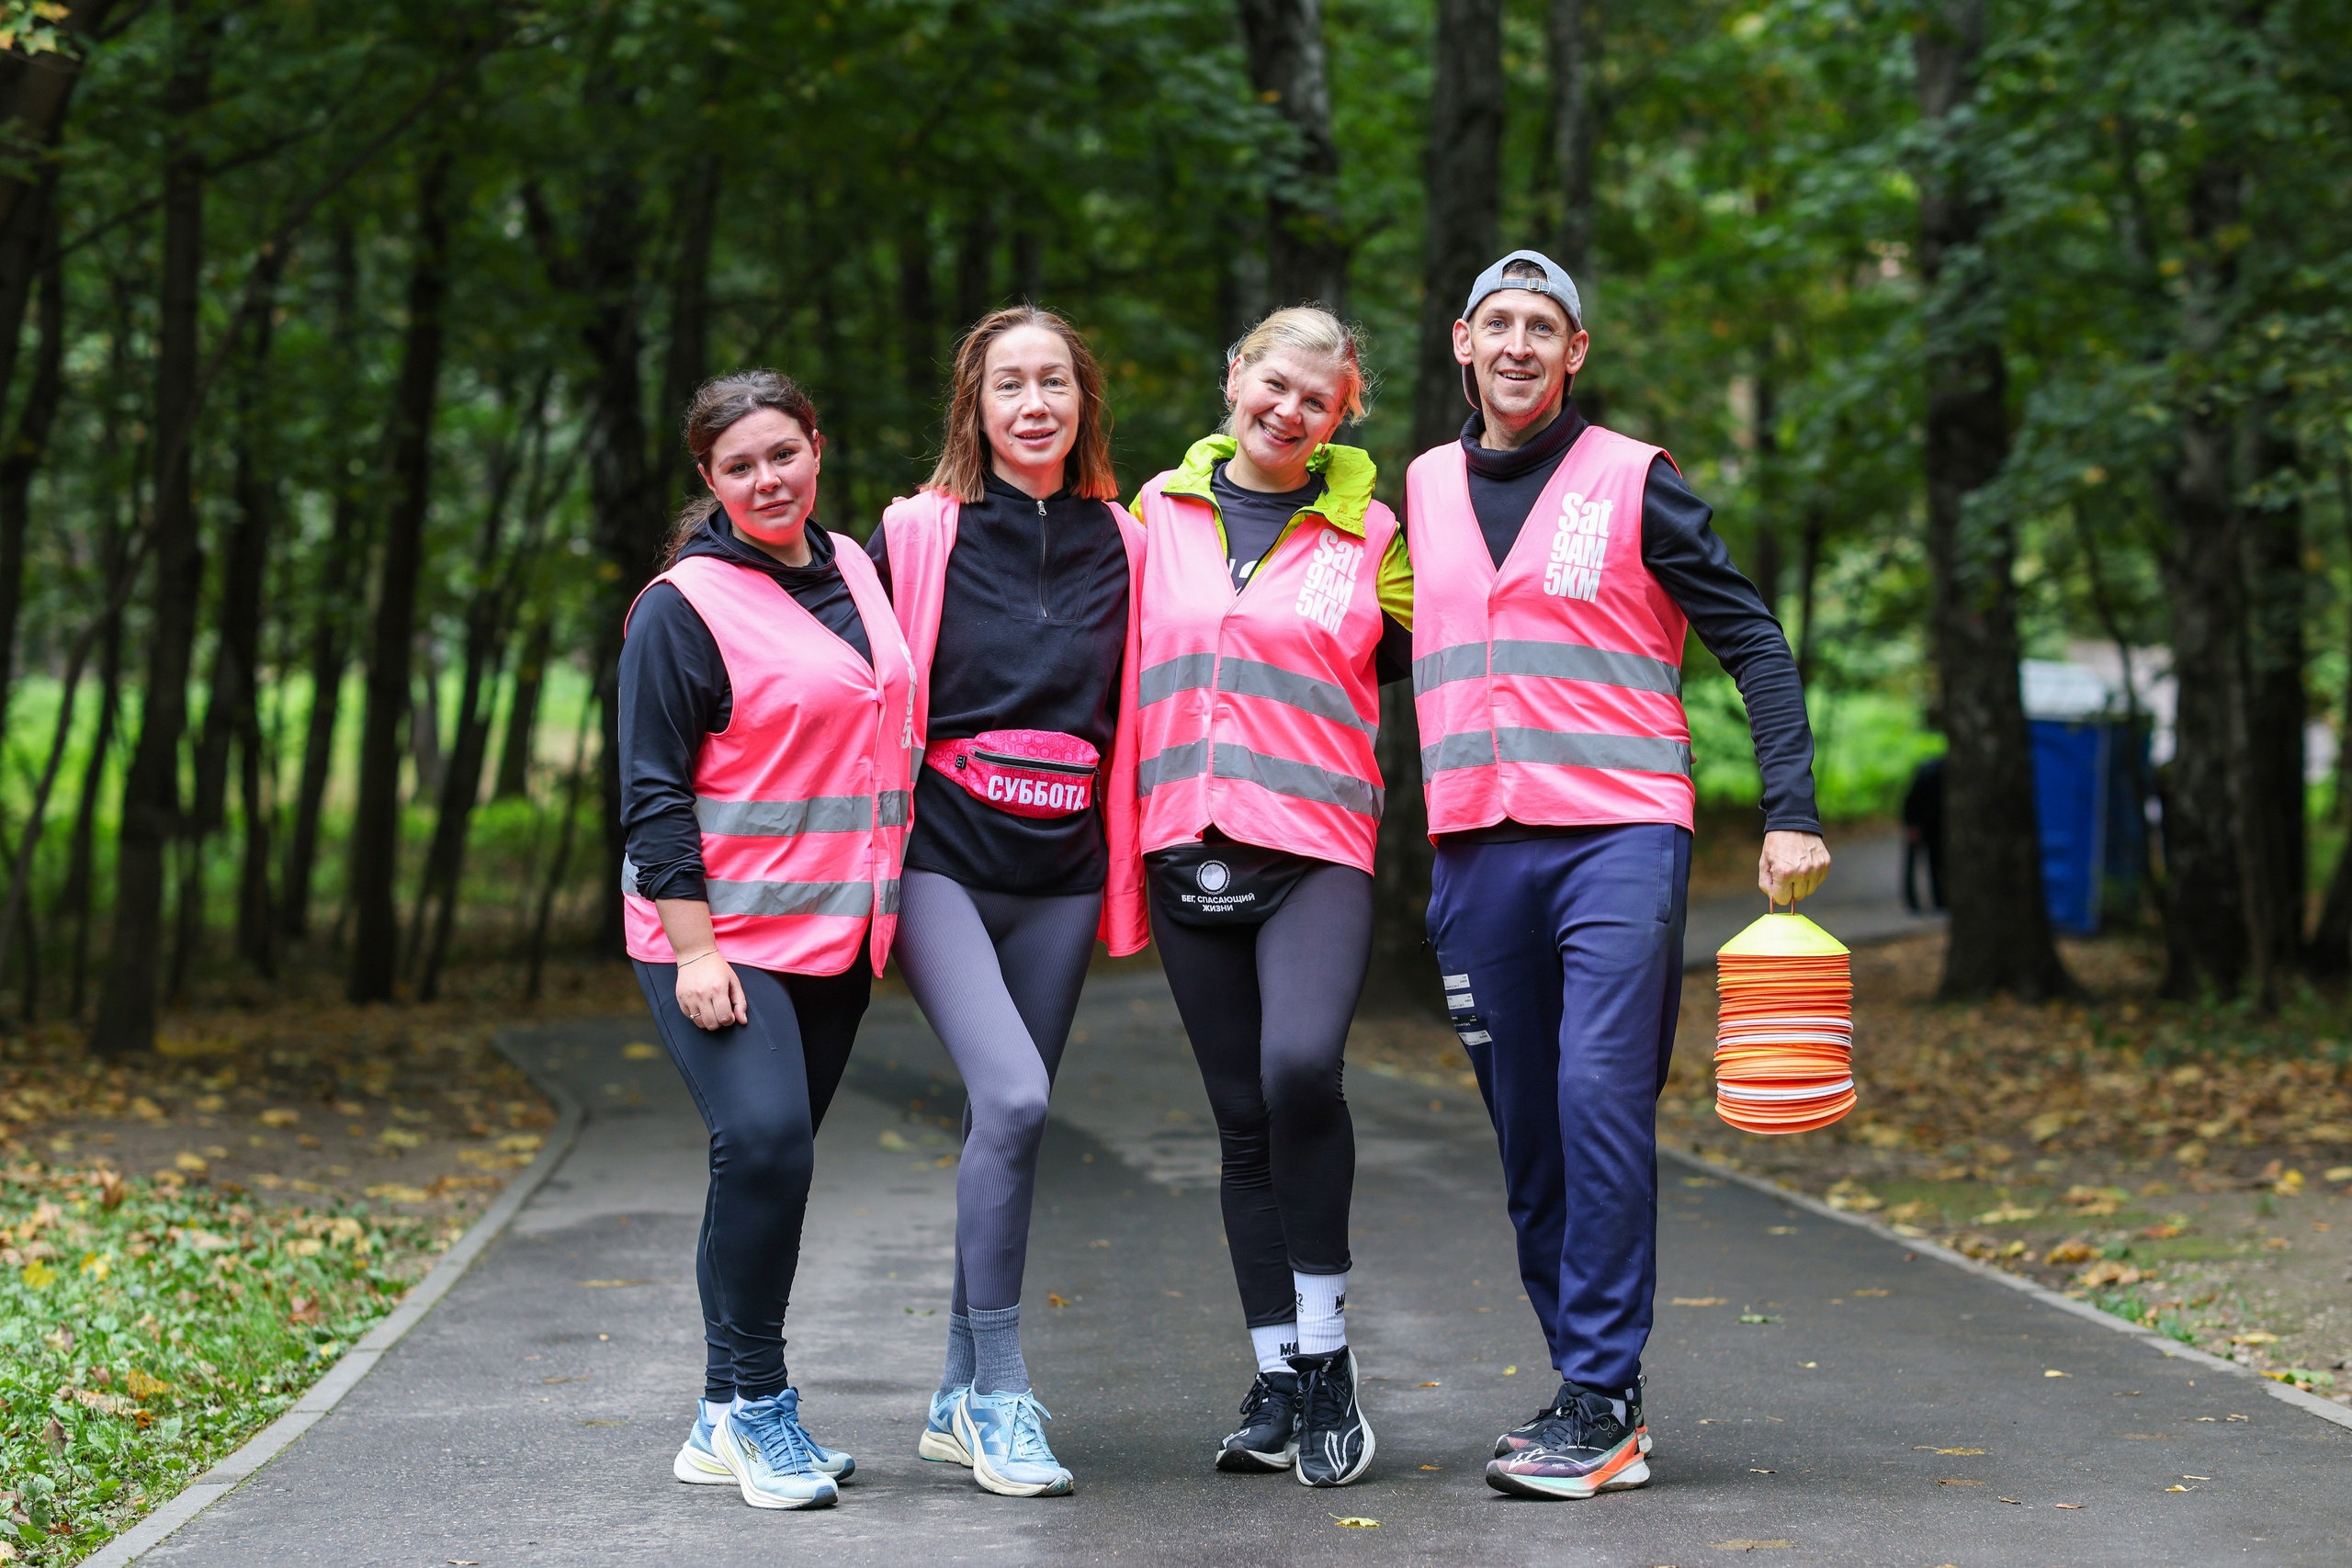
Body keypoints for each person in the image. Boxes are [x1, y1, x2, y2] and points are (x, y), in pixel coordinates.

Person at [1404, 252, 1831, 1499]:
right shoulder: (1418, 492)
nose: (1523, 344)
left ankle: (1596, 1391)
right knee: (1530, 1134)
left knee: (1597, 1095)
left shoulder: (1636, 480)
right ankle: (1593, 1390)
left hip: (1618, 837)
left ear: (1576, 352)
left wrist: (1792, 808)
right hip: (1476, 846)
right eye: (1502, 324)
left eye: (1547, 326)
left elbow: (1749, 632)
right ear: (1463, 344)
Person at [618, 370, 918, 1511]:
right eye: (740, 465)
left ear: (816, 450)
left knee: (765, 1170)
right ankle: (758, 1409)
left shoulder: (857, 567)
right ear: (710, 482)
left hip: (836, 935)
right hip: (718, 937)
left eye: (782, 454)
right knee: (768, 1147)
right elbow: (652, 798)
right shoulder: (681, 607)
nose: (767, 479)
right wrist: (696, 953)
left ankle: (714, 1416)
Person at [868, 305, 1148, 1499]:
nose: (1034, 404)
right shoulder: (917, 530)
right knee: (1018, 1091)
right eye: (1008, 385)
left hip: (1063, 871)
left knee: (1010, 1129)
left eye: (1054, 383)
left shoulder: (1133, 541)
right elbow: (843, 668)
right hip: (943, 855)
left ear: (1084, 401)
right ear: (974, 407)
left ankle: (949, 1391)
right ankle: (997, 1392)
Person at [1127, 306, 1408, 1488]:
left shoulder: (1377, 531)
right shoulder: (1152, 516)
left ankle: (1331, 1357)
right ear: (1234, 376)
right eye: (1274, 385)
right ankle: (1277, 1373)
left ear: (1342, 417)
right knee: (1241, 1117)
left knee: (1301, 1071)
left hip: (1315, 848)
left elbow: (1436, 653)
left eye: (1318, 400)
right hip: (1181, 842)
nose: (1288, 412)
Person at [1902, 754, 1947, 911]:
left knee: (1936, 862)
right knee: (1914, 863)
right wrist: (1912, 825)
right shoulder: (1932, 772)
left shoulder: (1940, 770)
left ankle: (1939, 900)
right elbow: (1911, 800)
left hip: (1935, 824)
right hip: (1919, 823)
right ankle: (1912, 902)